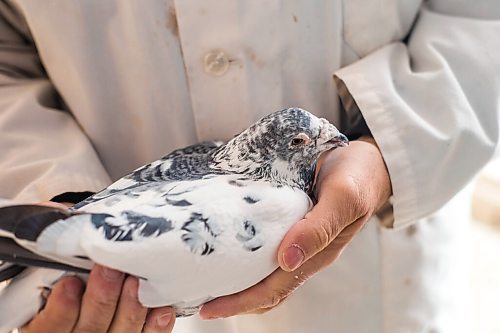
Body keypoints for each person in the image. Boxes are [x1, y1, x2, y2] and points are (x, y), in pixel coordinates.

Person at [0, 0, 498, 332]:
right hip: (101, 250)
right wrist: (60, 192)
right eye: (308, 139)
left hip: (368, 280)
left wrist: (390, 146)